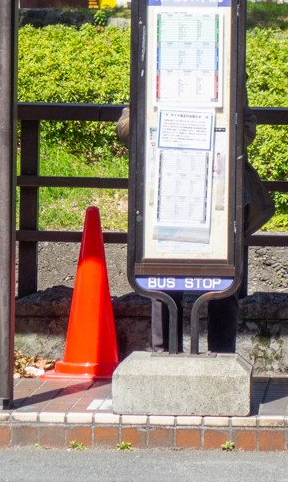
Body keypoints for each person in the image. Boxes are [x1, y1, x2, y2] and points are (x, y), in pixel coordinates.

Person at [115, 105, 272, 354]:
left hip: (219, 195)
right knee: (161, 276)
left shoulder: (228, 78)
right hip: (166, 193)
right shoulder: (154, 82)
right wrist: (159, 123)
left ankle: (221, 357)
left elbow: (246, 131)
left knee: (223, 278)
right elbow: (124, 129)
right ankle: (164, 354)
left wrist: (211, 129)